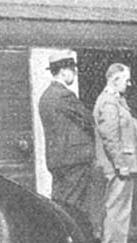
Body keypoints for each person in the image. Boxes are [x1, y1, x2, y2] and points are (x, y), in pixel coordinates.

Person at [93, 62, 137, 243]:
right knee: (117, 204)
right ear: (115, 80)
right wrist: (120, 164)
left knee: (118, 204)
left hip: (121, 162)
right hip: (118, 165)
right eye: (126, 80)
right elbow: (110, 136)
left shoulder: (117, 101)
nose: (129, 83)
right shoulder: (109, 103)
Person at [38, 51, 96, 216]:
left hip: (57, 160)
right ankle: (76, 240)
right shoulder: (64, 95)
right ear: (63, 71)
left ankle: (63, 239)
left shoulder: (46, 96)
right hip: (74, 159)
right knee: (75, 206)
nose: (75, 73)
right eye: (72, 70)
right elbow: (88, 118)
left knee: (60, 203)